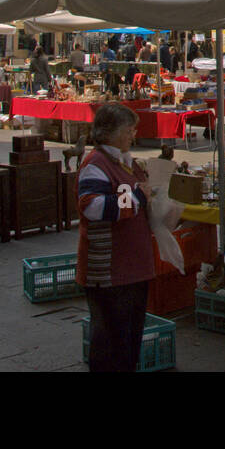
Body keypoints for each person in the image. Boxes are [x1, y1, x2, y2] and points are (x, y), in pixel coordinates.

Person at [76, 104, 155, 372]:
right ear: (109, 132)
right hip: (109, 271)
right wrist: (137, 198)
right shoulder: (95, 164)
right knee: (112, 342)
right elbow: (92, 206)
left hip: (132, 269)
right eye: (128, 130)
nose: (133, 135)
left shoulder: (124, 160)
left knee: (128, 342)